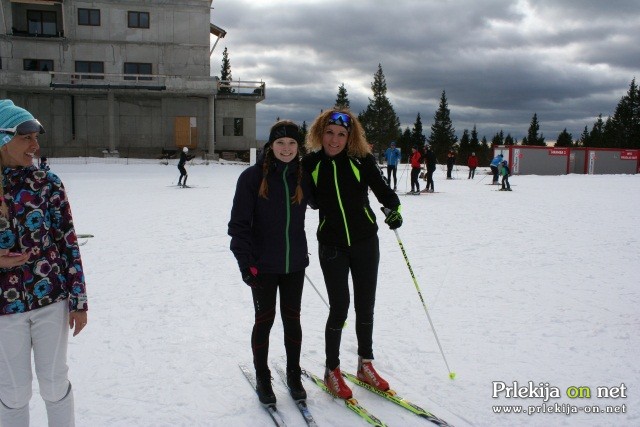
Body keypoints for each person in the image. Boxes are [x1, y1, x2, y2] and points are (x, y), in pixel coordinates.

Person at [302, 109, 402, 399]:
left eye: (341, 134)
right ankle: (332, 369)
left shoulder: (362, 160)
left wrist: (394, 211)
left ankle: (364, 365)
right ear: (321, 134)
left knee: (365, 306)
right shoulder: (310, 164)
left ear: (350, 137)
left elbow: (385, 194)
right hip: (331, 245)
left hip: (365, 241)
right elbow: (298, 198)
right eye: (329, 133)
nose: (335, 140)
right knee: (340, 307)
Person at [0, 99, 88, 427]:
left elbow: (68, 242)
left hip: (51, 299)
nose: (35, 146)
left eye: (37, 137)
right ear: (3, 138)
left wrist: (78, 301)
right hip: (5, 310)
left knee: (54, 383)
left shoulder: (47, 183)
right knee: (13, 391)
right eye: (27, 138)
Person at [228, 120, 310, 405]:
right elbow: (238, 226)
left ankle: (293, 373)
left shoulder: (303, 176)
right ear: (270, 146)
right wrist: (245, 263)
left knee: (293, 321)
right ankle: (262, 376)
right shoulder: (252, 178)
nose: (286, 149)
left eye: (291, 144)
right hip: (262, 266)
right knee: (264, 321)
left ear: (298, 148)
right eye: (280, 143)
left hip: (294, 265)